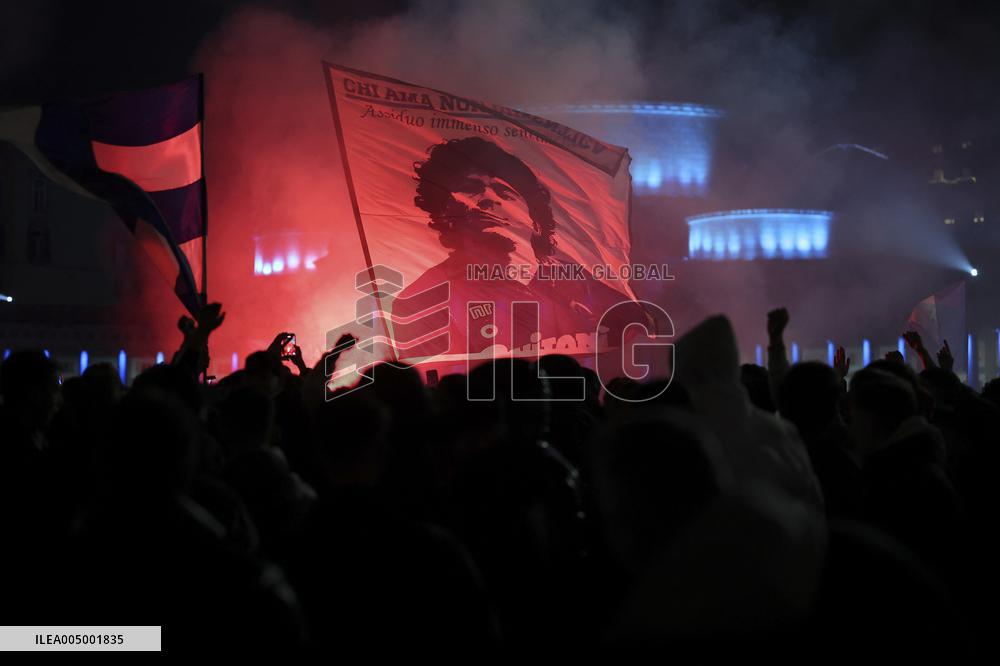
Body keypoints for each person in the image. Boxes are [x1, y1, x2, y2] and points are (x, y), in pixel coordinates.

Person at [395, 137, 647, 361]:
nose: (489, 201)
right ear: (443, 209)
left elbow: (633, 325)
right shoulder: (422, 299)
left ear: (532, 211)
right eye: (470, 190)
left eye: (505, 192)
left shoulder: (566, 279)